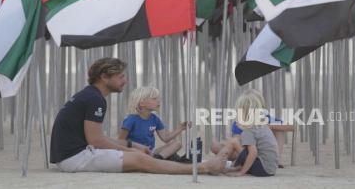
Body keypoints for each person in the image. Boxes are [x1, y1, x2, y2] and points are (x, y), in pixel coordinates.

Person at [49, 57, 226, 174]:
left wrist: (131, 144)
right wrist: (131, 150)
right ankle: (203, 167)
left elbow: (98, 138)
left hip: (70, 156)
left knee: (139, 155)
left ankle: (198, 165)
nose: (125, 81)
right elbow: (96, 142)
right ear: (104, 76)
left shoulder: (88, 95)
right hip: (75, 159)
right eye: (120, 76)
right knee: (140, 159)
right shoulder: (95, 100)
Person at [213, 89, 279, 177]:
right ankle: (233, 166)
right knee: (240, 144)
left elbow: (253, 153)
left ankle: (217, 164)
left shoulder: (249, 129)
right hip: (271, 168)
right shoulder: (262, 124)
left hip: (263, 169)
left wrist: (241, 173)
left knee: (234, 142)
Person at [118, 87, 190, 161]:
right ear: (142, 103)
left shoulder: (155, 119)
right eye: (154, 98)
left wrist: (180, 128)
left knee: (177, 144)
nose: (158, 101)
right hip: (134, 153)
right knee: (172, 155)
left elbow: (165, 138)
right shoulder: (130, 119)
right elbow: (120, 141)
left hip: (151, 153)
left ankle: (158, 159)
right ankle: (163, 159)